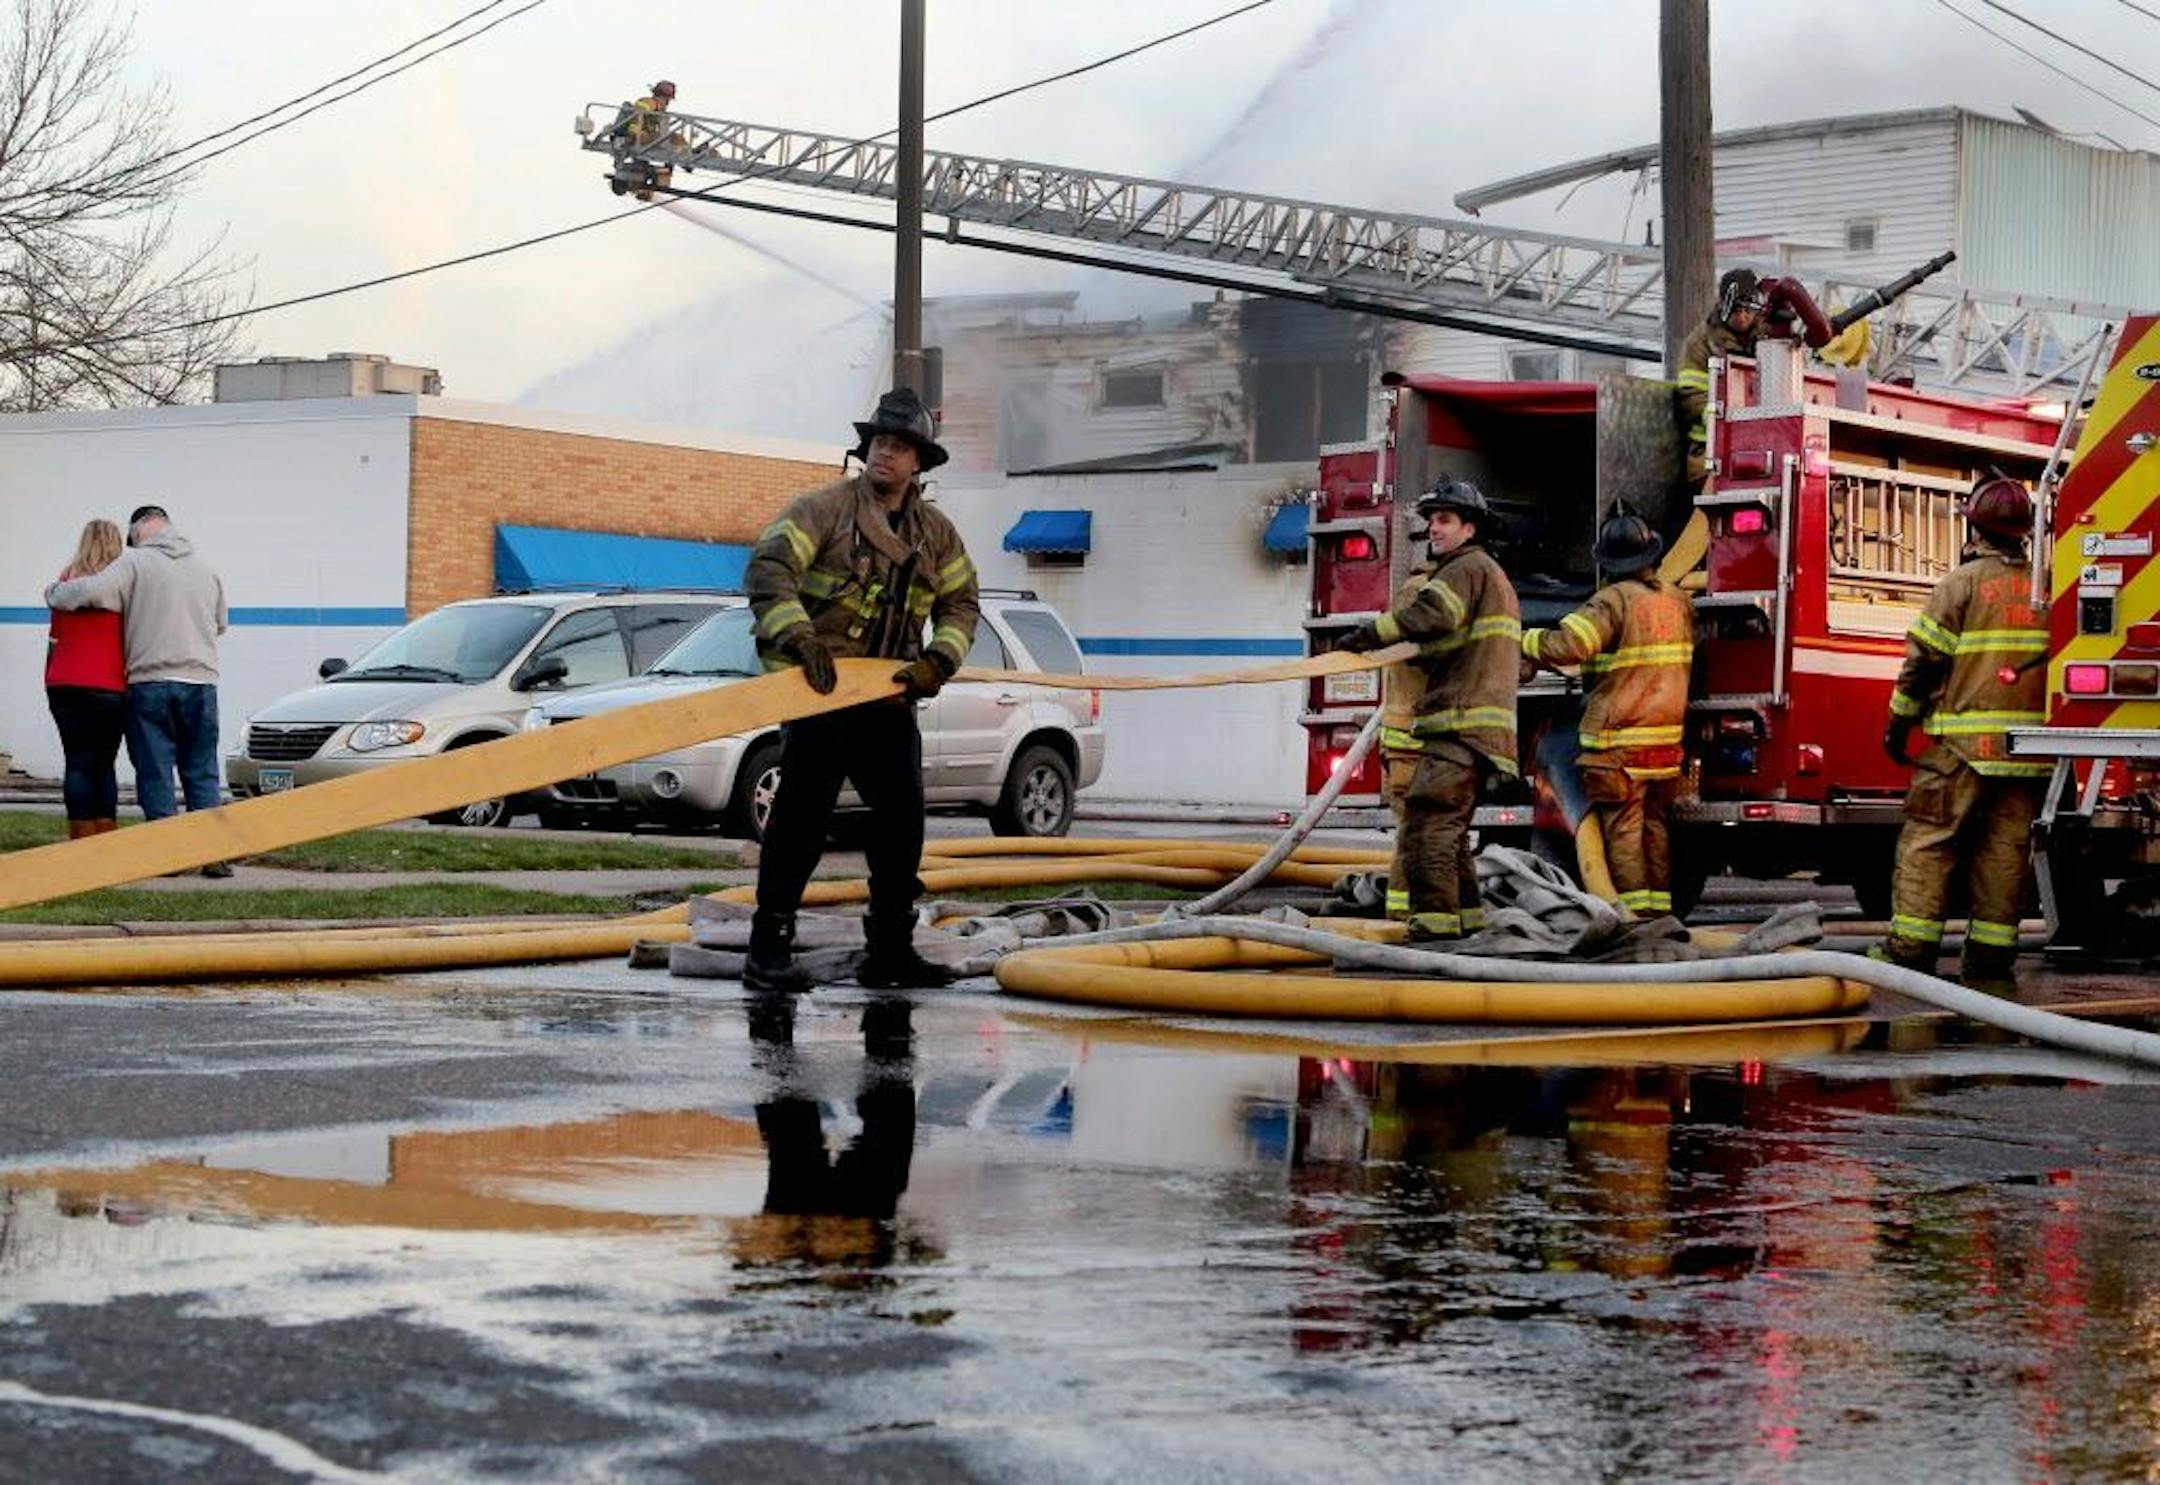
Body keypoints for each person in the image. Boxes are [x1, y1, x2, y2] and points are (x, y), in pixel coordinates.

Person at [742, 388, 980, 993]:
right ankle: (768, 950)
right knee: (801, 819)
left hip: (888, 697)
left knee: (902, 823)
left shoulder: (936, 534)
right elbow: (769, 571)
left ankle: (891, 951)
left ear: (919, 461)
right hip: (820, 691)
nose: (885, 453)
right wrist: (800, 638)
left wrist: (938, 662)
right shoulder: (822, 509)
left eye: (899, 446)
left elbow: (961, 603)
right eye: (879, 442)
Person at [1875, 473, 2051, 989]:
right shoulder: (2048, 585)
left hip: (1960, 749)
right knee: (2004, 854)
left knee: (1928, 842)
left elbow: (1924, 663)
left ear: (1975, 528)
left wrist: (1899, 723)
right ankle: (1992, 960)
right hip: (2028, 754)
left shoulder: (1960, 584)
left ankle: (1910, 952)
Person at [1339, 479, 1520, 941]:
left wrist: (1370, 633)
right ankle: (1467, 921)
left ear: (1470, 528)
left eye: (1444, 520)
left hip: (1460, 722)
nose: (1433, 529)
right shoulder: (1487, 573)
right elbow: (1446, 641)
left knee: (1428, 823)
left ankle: (1434, 926)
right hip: (1475, 726)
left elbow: (1432, 615)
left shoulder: (1465, 568)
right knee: (1449, 828)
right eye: (1431, 520)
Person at [1520, 506, 1694, 918]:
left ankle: (1631, 920)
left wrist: (1523, 639)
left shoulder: (1612, 601)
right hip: (1666, 742)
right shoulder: (1677, 600)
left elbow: (1570, 646)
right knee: (1655, 828)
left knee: (1624, 831)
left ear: (1608, 563)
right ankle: (1658, 914)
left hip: (1619, 740)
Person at [46, 505, 231, 871]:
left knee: (155, 769)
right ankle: (213, 855)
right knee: (202, 769)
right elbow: (221, 624)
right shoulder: (206, 570)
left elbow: (91, 591)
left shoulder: (134, 562)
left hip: (151, 681)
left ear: (138, 529)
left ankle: (169, 857)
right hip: (201, 683)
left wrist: (55, 592)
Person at [44, 519, 128, 841]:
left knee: (77, 762)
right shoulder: (123, 585)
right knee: (104, 763)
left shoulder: (65, 580)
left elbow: (55, 638)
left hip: (63, 683)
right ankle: (105, 840)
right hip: (108, 684)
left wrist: (50, 678)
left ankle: (79, 837)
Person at [1675, 267, 1768, 488]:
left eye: (1747, 310)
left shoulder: (1771, 338)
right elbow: (1691, 394)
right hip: (1710, 453)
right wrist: (1718, 420)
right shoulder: (1699, 344)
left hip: (1763, 447)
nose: (1742, 317)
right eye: (1735, 310)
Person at [609, 79, 679, 201]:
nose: (667, 103)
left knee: (674, 138)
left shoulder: (657, 108)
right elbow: (637, 118)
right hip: (638, 137)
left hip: (642, 138)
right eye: (667, 100)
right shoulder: (648, 103)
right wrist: (632, 135)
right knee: (675, 139)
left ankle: (690, 154)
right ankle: (690, 154)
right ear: (662, 97)